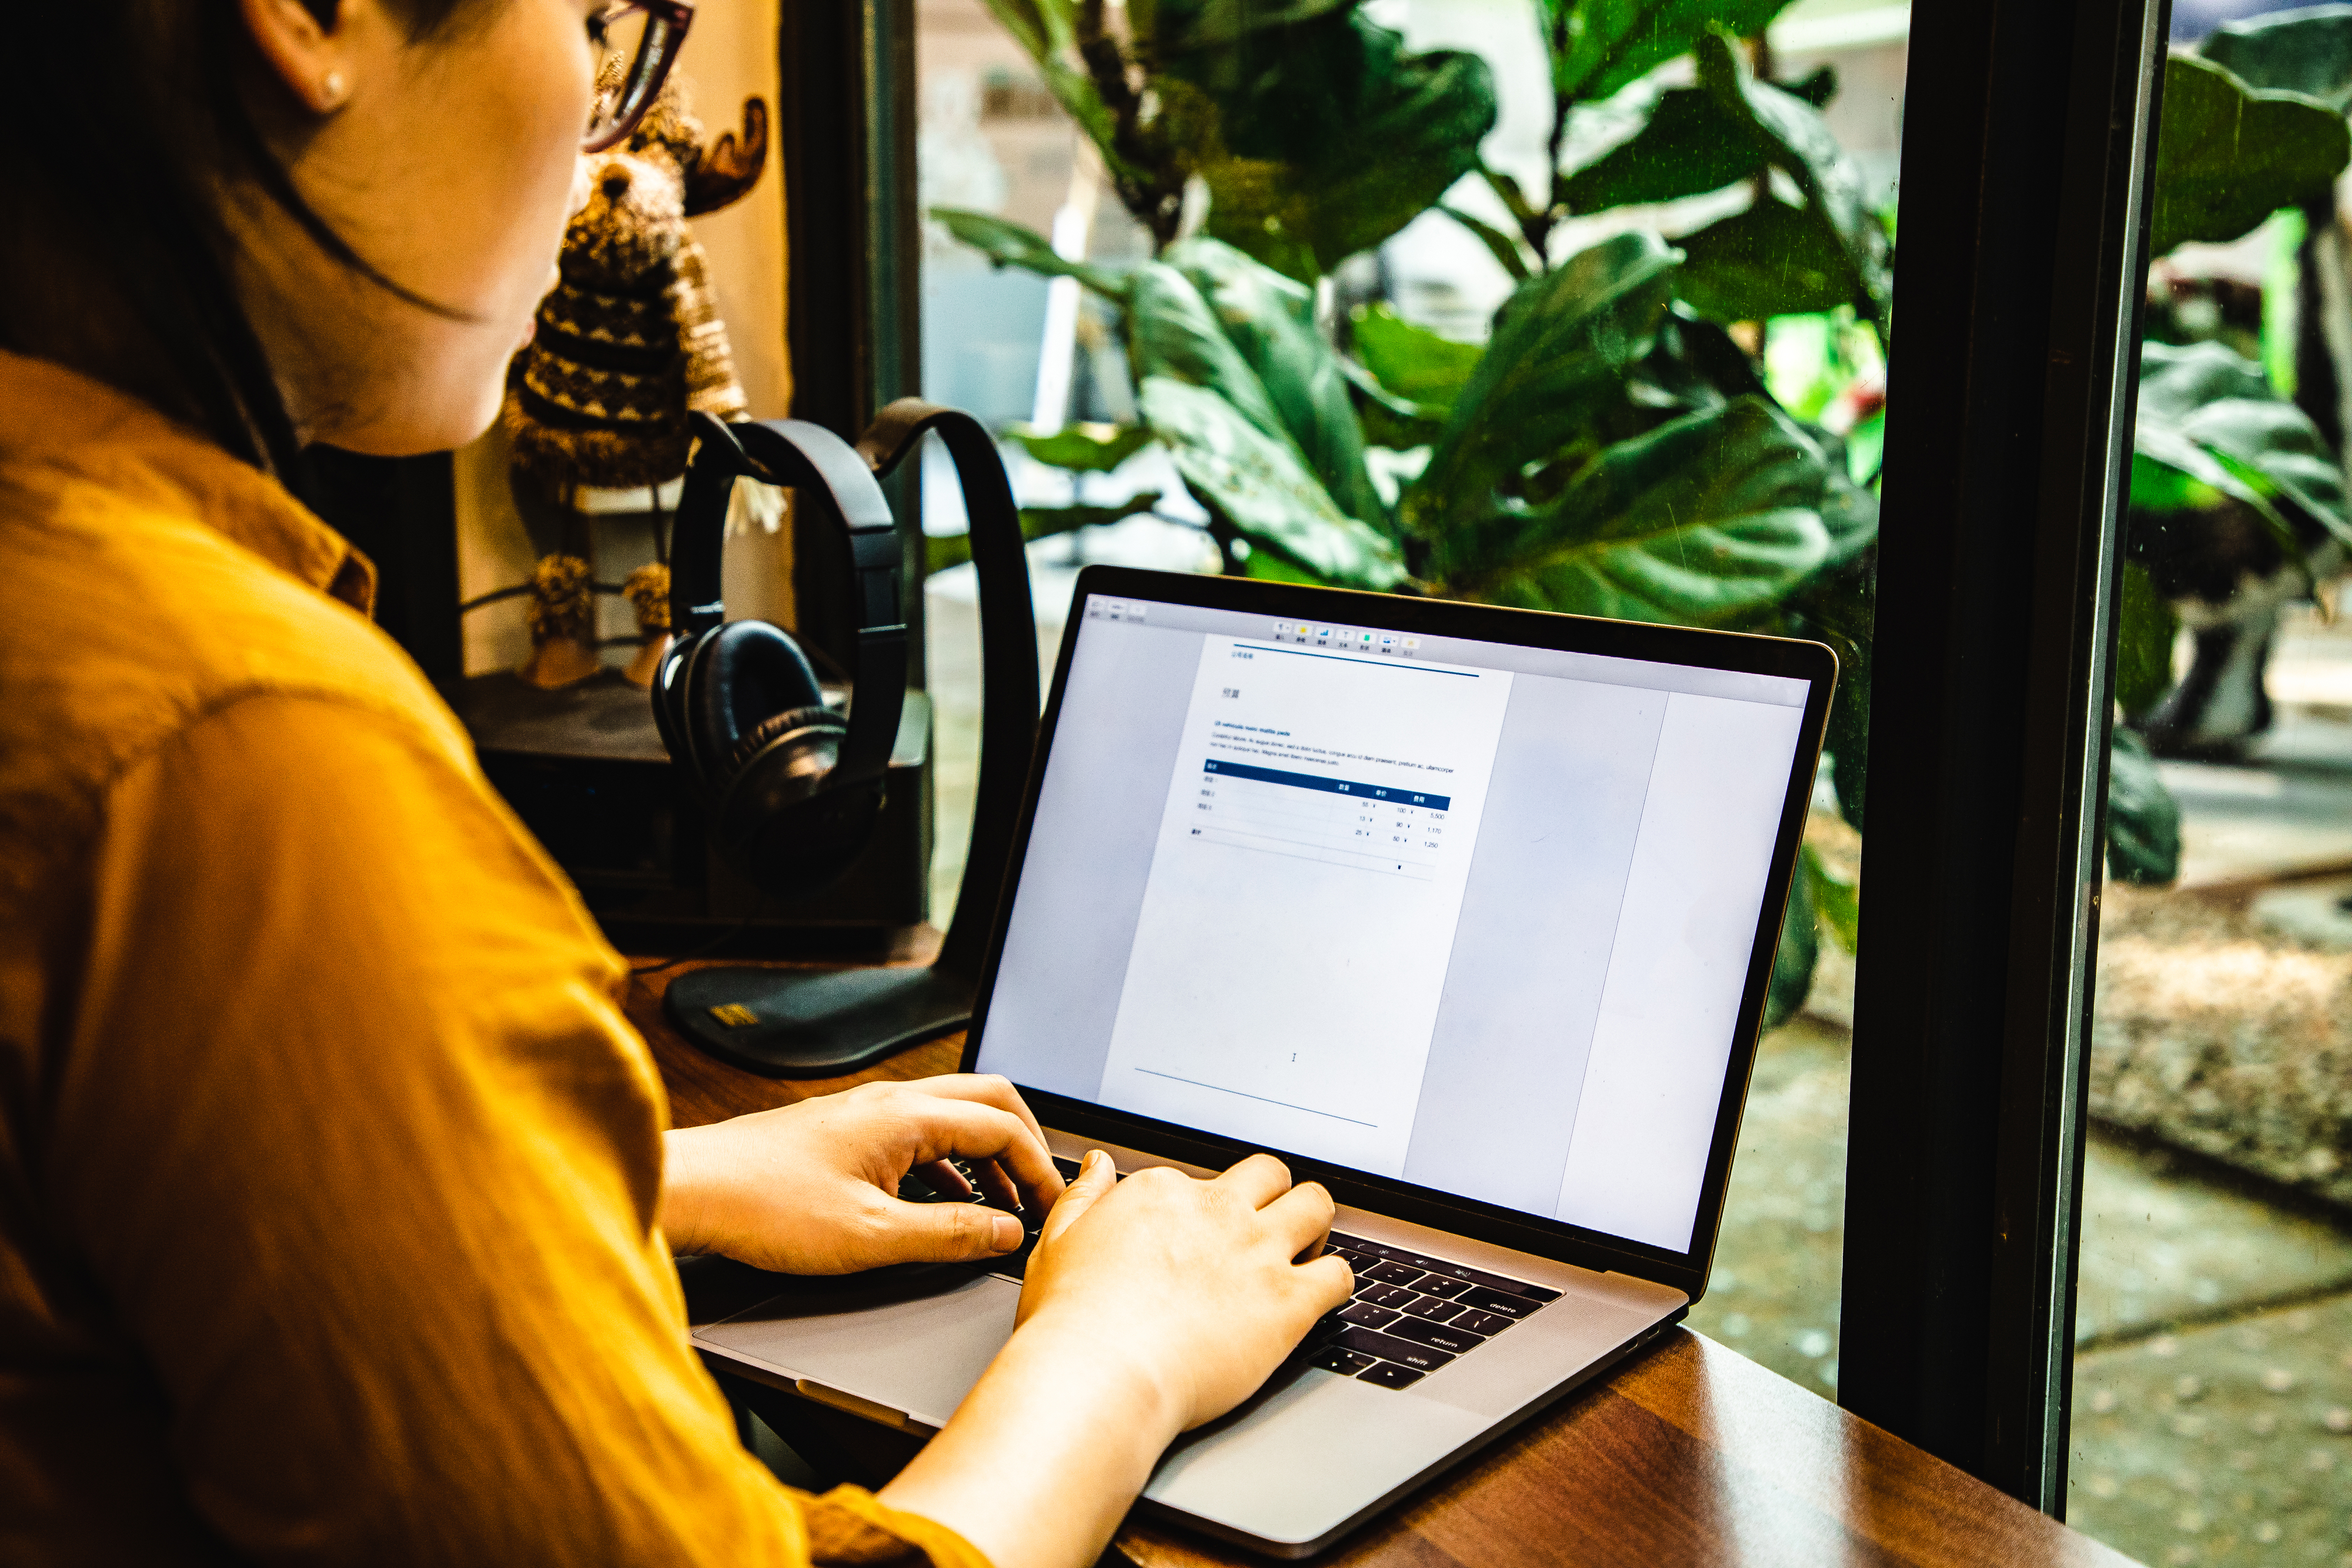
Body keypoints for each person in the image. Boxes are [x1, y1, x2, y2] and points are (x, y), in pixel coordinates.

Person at [0, 4, 1354, 1565]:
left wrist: (655, 1179)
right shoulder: (243, 754)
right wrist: (1119, 1351)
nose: (599, 133)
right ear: (311, 21)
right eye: (591, 21)